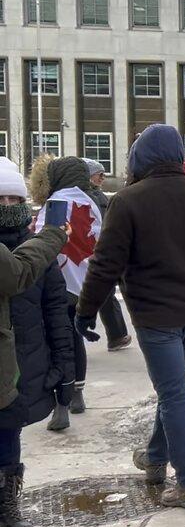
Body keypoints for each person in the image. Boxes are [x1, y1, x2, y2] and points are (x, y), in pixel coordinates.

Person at [76, 124, 185, 509]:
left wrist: (86, 310)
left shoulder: (128, 201)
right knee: (173, 390)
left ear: (141, 158)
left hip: (154, 317)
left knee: (173, 394)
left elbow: (105, 265)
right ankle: (155, 458)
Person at [0, 156, 75, 527]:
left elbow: (55, 312)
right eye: (0, 200)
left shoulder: (37, 251)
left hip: (19, 368)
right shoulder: (32, 251)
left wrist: (64, 370)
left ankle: (7, 503)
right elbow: (15, 274)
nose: (7, 207)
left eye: (13, 199)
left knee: (9, 438)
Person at [29, 156, 103, 419]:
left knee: (56, 342)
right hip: (84, 281)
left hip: (56, 282)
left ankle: (60, 402)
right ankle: (78, 394)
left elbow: (39, 239)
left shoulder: (56, 203)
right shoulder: (90, 203)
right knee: (75, 338)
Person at [82, 159, 132, 354]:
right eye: (99, 174)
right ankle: (116, 335)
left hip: (97, 249)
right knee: (105, 293)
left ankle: (116, 335)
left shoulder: (96, 196)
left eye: (104, 174)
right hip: (96, 250)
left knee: (102, 292)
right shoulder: (93, 197)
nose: (103, 178)